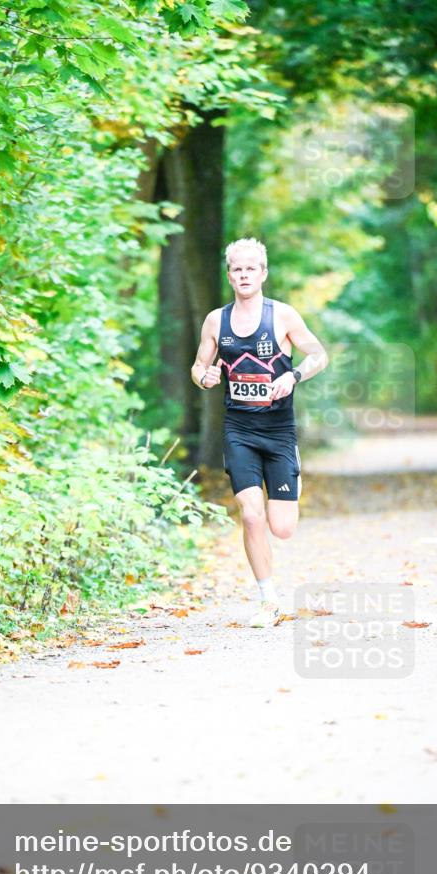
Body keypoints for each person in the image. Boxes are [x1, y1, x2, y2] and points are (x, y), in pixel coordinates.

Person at [191, 237, 329, 627]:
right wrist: (205, 377)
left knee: (282, 528)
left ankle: (292, 475)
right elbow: (199, 367)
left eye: (251, 268)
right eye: (237, 269)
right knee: (251, 516)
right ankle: (269, 601)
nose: (244, 274)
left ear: (263, 273)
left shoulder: (282, 315)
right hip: (239, 430)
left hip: (279, 431)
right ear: (229, 276)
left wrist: (293, 375)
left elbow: (319, 355)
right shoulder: (216, 321)